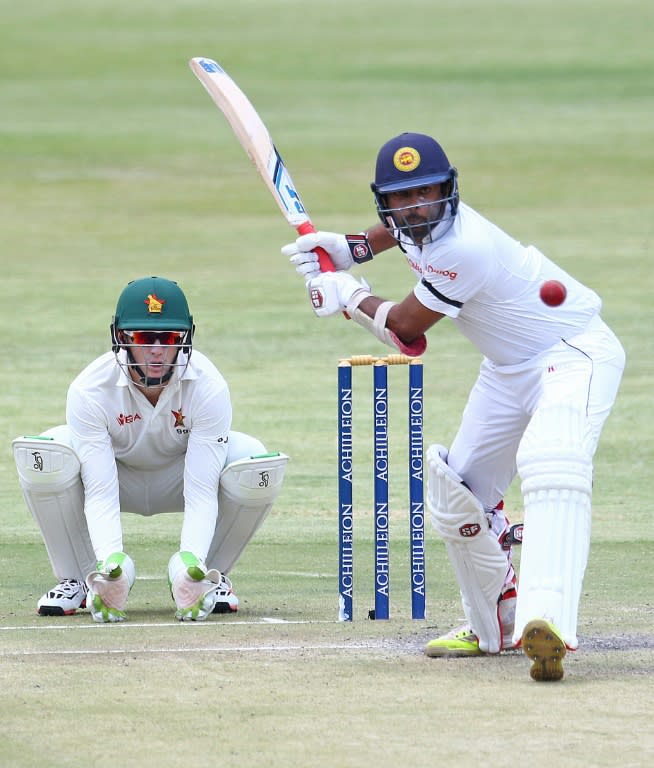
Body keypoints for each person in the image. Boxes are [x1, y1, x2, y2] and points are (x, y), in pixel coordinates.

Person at [282, 132, 625, 681]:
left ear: (448, 189)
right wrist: (354, 248)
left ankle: (548, 620)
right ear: (386, 202)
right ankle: (495, 624)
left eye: (427, 193)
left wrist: (346, 296)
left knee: (551, 462)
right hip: (507, 368)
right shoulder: (411, 224)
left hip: (573, 353)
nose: (417, 206)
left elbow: (405, 329)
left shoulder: (464, 246)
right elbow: (399, 234)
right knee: (456, 493)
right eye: (402, 197)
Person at [13, 276, 288, 623]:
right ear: (121, 338)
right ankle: (82, 581)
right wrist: (111, 563)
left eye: (169, 339)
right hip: (117, 475)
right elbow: (99, 491)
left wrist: (190, 561)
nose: (157, 350)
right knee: (44, 454)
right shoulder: (89, 389)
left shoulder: (209, 386)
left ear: (184, 339)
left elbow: (202, 491)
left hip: (179, 476)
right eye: (144, 338)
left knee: (255, 460)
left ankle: (204, 578)